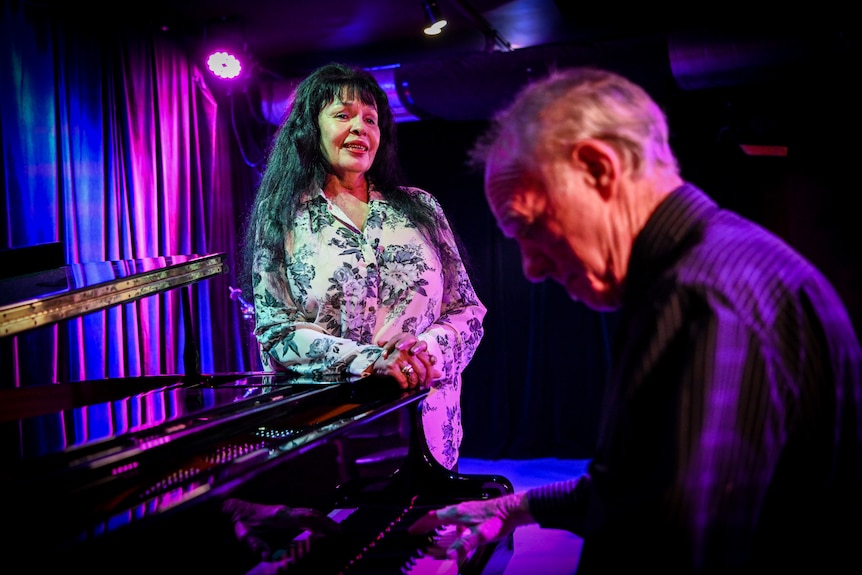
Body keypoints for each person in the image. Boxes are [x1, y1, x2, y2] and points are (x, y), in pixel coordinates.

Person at [408, 67, 862, 573]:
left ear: (599, 170)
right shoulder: (718, 264)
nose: (533, 268)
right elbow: (643, 483)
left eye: (529, 227)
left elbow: (666, 546)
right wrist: (514, 506)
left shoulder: (700, 296)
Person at [242, 62, 486, 471]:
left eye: (370, 119)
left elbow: (468, 312)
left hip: (426, 428)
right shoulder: (280, 214)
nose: (360, 128)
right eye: (343, 115)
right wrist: (370, 361)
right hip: (325, 434)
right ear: (310, 129)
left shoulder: (421, 208)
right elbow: (276, 331)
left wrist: (418, 354)